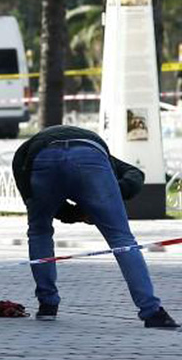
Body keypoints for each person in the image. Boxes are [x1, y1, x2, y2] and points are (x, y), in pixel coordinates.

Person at [12, 125, 177, 327]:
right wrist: (106, 198)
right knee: (122, 239)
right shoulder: (106, 158)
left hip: (42, 156)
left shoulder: (22, 154)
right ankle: (152, 312)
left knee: (39, 231)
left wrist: (73, 214)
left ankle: (47, 304)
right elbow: (135, 175)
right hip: (89, 155)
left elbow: (30, 197)